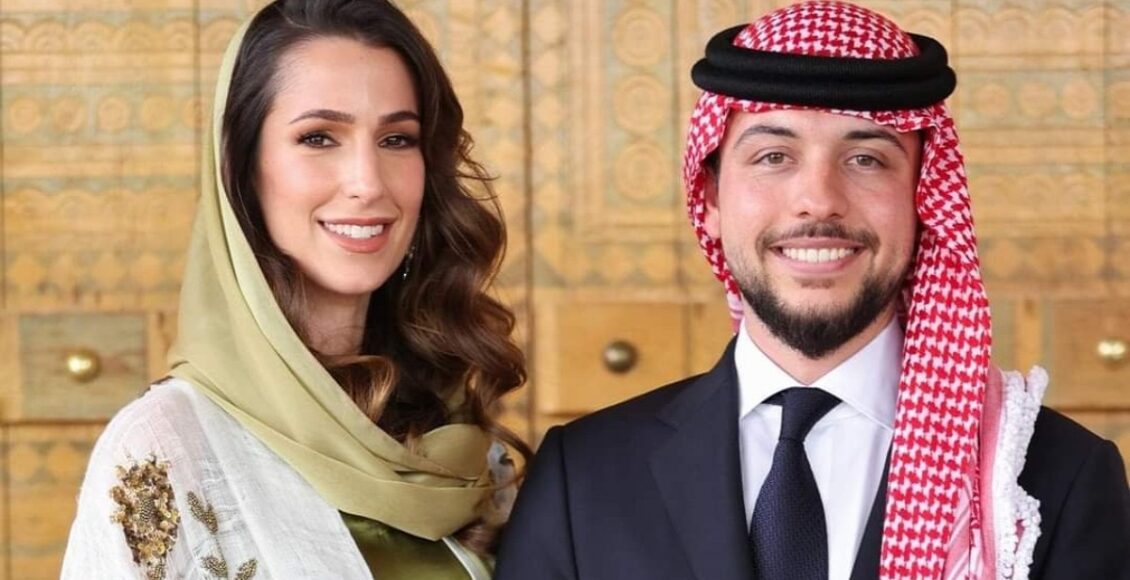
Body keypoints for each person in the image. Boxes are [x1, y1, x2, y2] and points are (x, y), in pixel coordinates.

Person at [494, 2, 1130, 579]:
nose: (819, 200)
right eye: (773, 156)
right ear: (709, 197)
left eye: (866, 159)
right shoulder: (585, 476)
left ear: (923, 199)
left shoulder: (1056, 478)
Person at [61, 1, 528, 578]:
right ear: (243, 169)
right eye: (318, 138)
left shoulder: (458, 437)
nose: (367, 183)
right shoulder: (166, 447)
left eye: (396, 139)